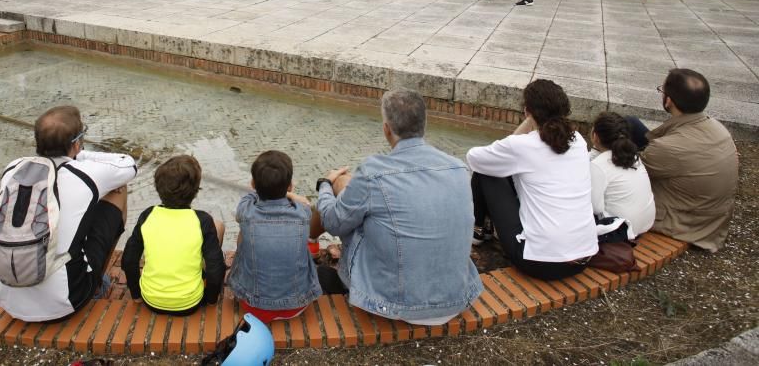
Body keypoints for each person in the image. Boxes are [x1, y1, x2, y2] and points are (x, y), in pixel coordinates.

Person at [315, 89, 482, 324]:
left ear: (386, 129)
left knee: (345, 194)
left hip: (397, 304)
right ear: (424, 124)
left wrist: (325, 185)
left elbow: (332, 222)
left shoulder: (373, 172)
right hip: (456, 299)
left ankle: (305, 245)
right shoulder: (458, 168)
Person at [0, 106, 138, 321]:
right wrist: (80, 154)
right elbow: (128, 165)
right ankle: (95, 285)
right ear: (76, 143)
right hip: (64, 302)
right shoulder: (84, 174)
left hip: (6, 299)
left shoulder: (13, 168)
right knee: (118, 189)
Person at [467, 79, 598, 280]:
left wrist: (526, 124)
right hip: (584, 257)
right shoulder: (578, 140)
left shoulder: (523, 145)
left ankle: (478, 231)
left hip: (541, 263)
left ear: (527, 111)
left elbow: (475, 158)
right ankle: (484, 229)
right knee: (501, 167)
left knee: (486, 171)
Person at [638, 69, 738, 252]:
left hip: (682, 221)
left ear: (668, 100)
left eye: (662, 91)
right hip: (709, 216)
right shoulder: (718, 128)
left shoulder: (667, 148)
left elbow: (631, 172)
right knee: (630, 124)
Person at [122, 155, 227, 315]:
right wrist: (211, 300)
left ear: (158, 188)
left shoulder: (148, 215)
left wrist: (136, 295)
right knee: (218, 226)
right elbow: (216, 268)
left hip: (151, 299)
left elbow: (129, 259)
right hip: (189, 303)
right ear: (195, 191)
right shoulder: (202, 220)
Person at [227, 151, 321, 323]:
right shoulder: (302, 213)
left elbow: (248, 199)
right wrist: (291, 195)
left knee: (245, 231)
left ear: (253, 184)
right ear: (290, 186)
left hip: (253, 306)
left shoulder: (246, 211)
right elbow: (306, 204)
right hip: (296, 306)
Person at [589, 112, 656, 237]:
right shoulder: (633, 156)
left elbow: (595, 209)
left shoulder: (598, 166)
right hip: (646, 223)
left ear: (595, 136)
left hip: (622, 229)